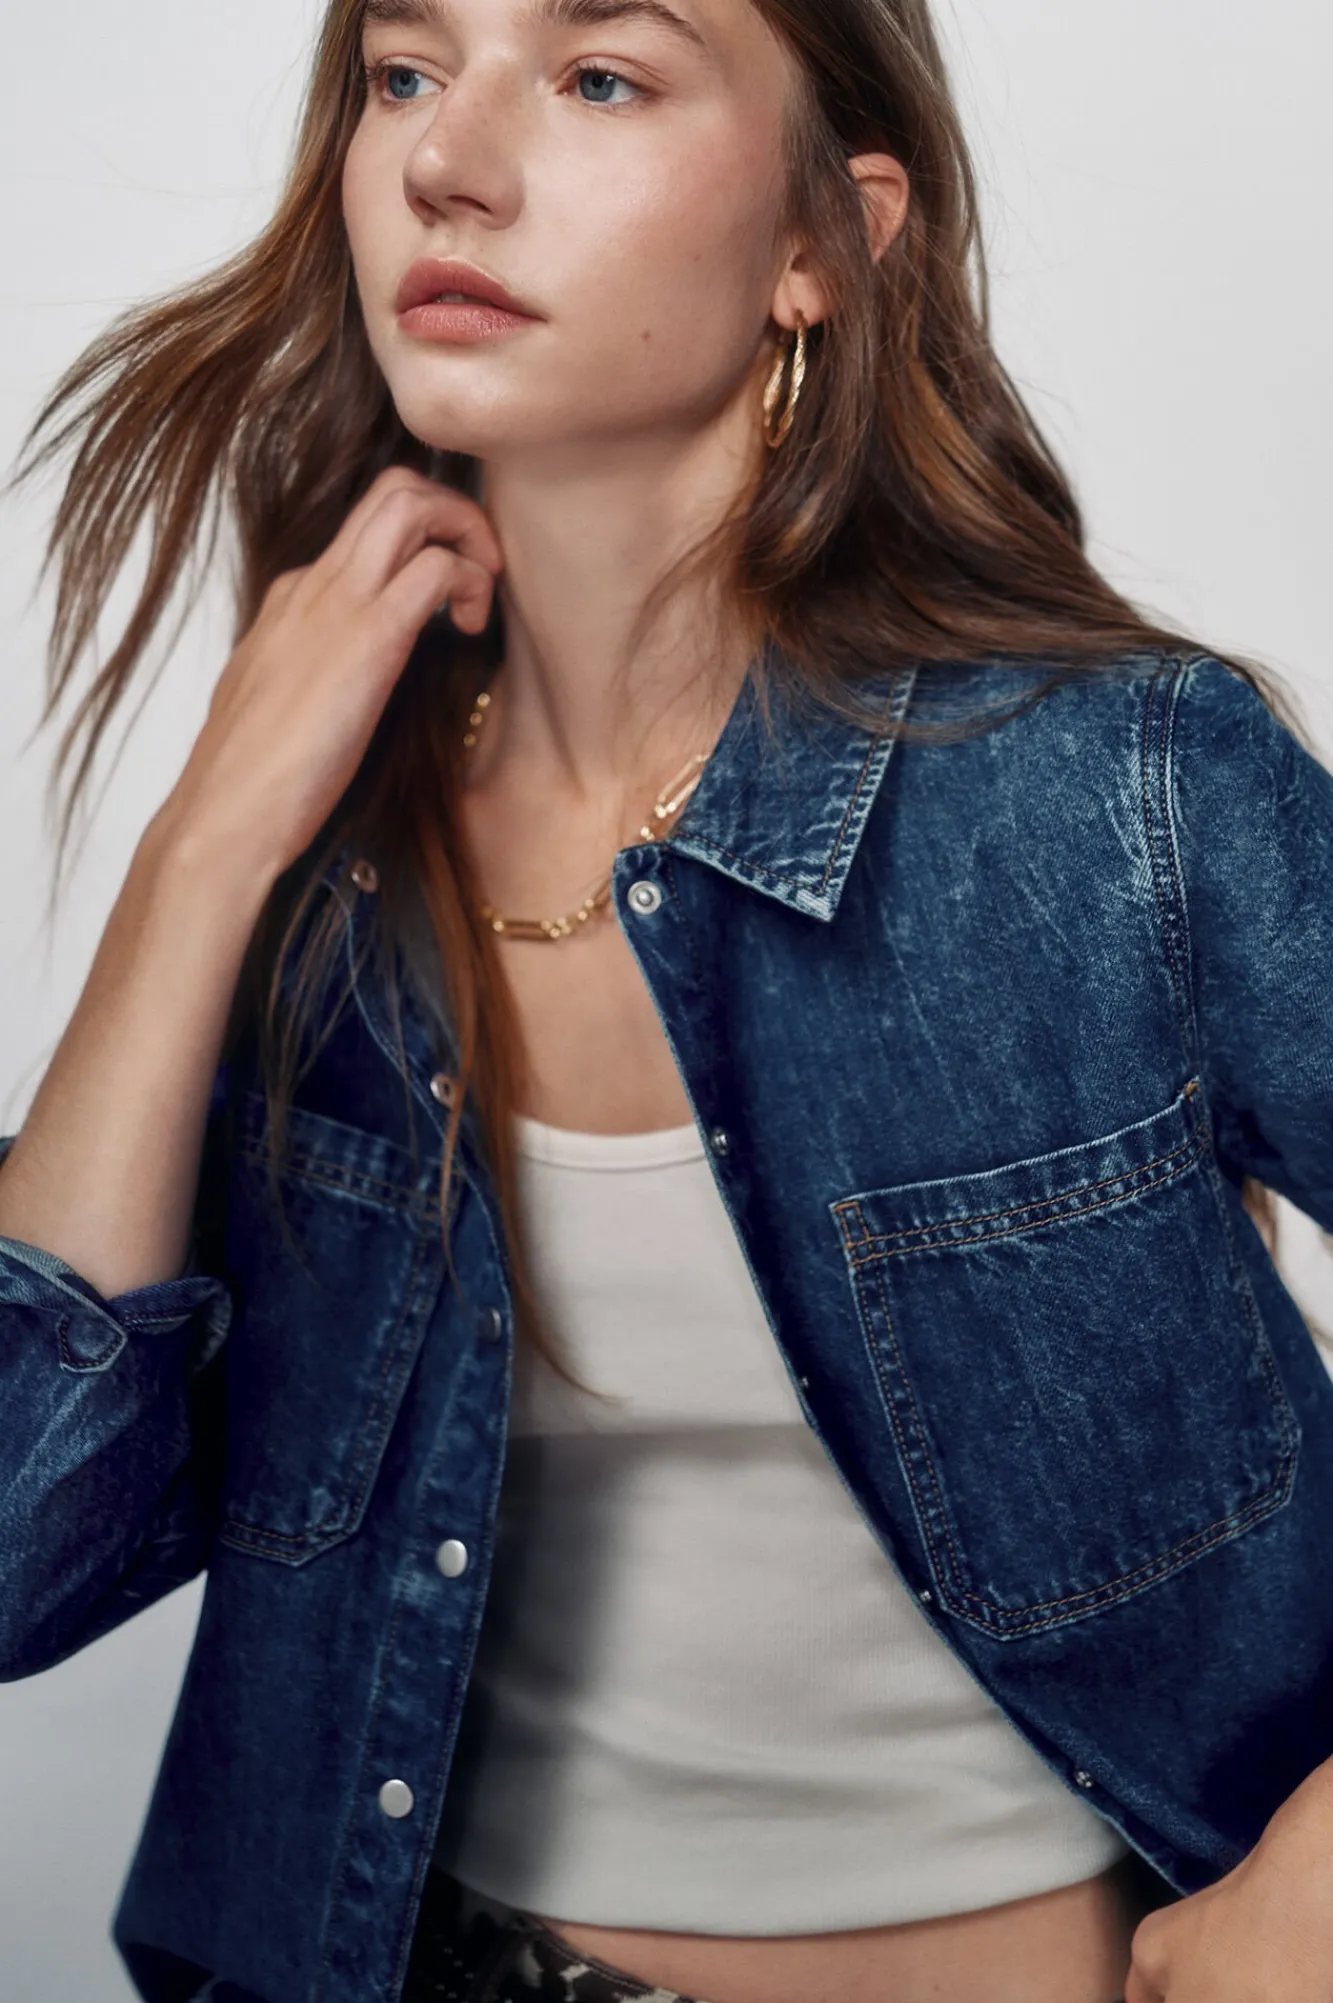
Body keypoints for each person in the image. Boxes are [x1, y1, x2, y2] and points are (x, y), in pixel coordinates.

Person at [3, 0, 1333, 1999]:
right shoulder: (328, 861)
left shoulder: (1124, 790)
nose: (447, 161)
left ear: (827, 239)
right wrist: (198, 853)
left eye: (601, 75)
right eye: (403, 73)